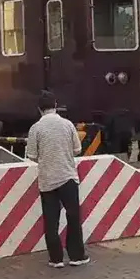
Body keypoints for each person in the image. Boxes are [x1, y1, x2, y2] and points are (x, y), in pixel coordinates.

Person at [25, 91, 89, 268]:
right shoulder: (68, 125)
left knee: (51, 220)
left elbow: (31, 155)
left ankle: (56, 258)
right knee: (73, 216)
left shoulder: (35, 128)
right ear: (55, 105)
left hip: (47, 180)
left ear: (39, 109)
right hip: (67, 176)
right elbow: (77, 149)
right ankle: (76, 256)